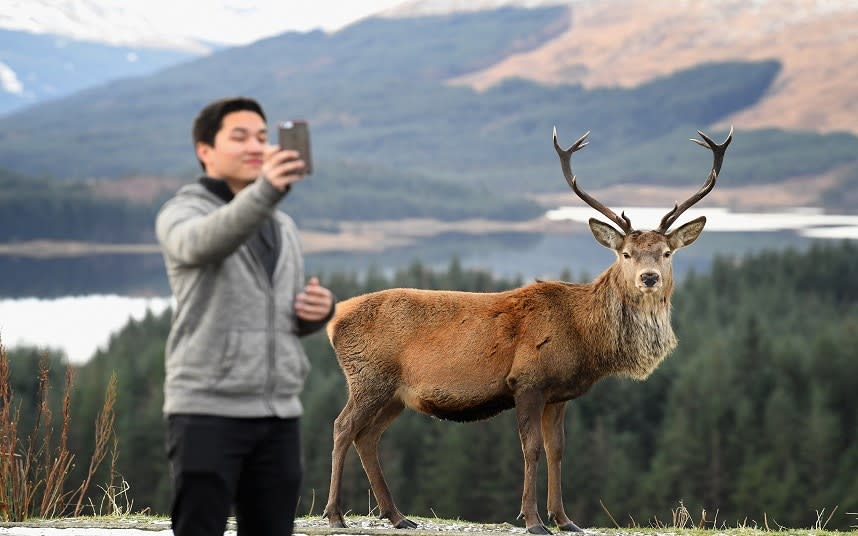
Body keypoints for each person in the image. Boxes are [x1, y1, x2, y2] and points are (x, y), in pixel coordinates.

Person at [155, 96, 335, 536]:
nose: (256, 145)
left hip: (278, 414)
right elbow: (201, 243)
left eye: (261, 136)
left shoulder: (283, 226)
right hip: (207, 409)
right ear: (205, 150)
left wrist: (316, 313)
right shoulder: (182, 213)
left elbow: (282, 317)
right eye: (240, 136)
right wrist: (266, 191)